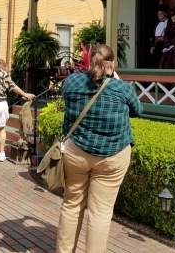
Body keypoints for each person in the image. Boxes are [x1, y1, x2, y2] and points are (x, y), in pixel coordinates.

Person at [56, 44, 143, 253]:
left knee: (71, 205)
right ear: (113, 64)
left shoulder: (72, 81)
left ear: (90, 61)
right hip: (113, 156)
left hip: (77, 152)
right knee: (100, 213)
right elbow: (138, 111)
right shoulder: (122, 88)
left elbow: (67, 99)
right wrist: (117, 80)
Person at [150, 4, 169, 68]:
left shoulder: (169, 22)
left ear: (165, 14)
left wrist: (164, 38)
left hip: (165, 45)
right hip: (156, 45)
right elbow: (153, 35)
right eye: (158, 13)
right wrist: (152, 46)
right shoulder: (156, 23)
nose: (159, 15)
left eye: (161, 13)